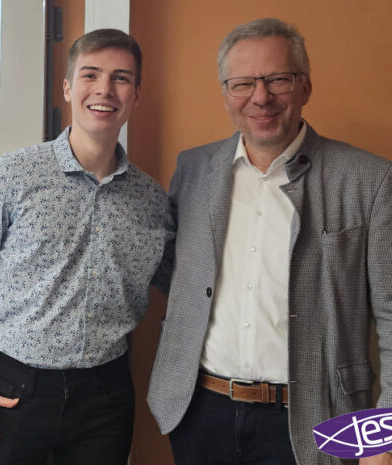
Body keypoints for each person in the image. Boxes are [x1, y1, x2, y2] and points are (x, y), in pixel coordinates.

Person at [147, 17, 392, 465]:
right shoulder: (194, 170)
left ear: (305, 87)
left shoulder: (370, 180)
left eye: (278, 79)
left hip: (319, 419)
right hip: (199, 412)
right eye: (242, 83)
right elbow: (177, 276)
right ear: (226, 94)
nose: (260, 97)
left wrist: (384, 435)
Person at [0, 28, 174, 465]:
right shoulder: (11, 176)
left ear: (137, 94)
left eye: (121, 78)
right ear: (68, 87)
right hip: (10, 388)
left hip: (105, 398)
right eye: (91, 75)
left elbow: (178, 281)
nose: (104, 90)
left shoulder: (151, 200)